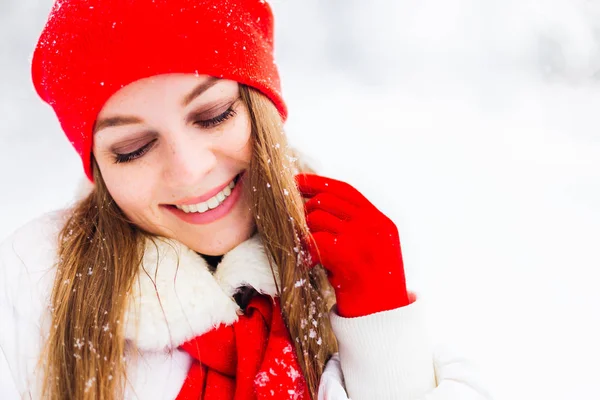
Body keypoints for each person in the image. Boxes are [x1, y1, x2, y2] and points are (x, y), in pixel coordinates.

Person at [0, 1, 493, 399]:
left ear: (260, 109)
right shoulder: (38, 293)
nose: (190, 170)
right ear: (100, 169)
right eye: (134, 148)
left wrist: (382, 327)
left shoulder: (335, 274)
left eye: (213, 115)